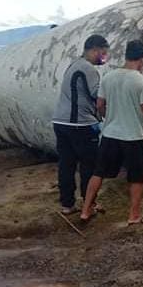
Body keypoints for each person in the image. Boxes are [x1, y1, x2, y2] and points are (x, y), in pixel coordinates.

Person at [80, 39, 143, 225]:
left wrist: (109, 117)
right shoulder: (142, 82)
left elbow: (100, 105)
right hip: (133, 136)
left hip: (110, 134)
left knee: (99, 173)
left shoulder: (108, 77)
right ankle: (134, 215)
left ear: (127, 54)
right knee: (137, 177)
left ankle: (85, 209)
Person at [51, 34, 110, 215]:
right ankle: (89, 204)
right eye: (103, 54)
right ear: (94, 50)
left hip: (60, 122)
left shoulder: (73, 65)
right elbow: (98, 96)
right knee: (89, 165)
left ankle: (67, 204)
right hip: (81, 125)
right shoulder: (89, 69)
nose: (104, 58)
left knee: (66, 164)